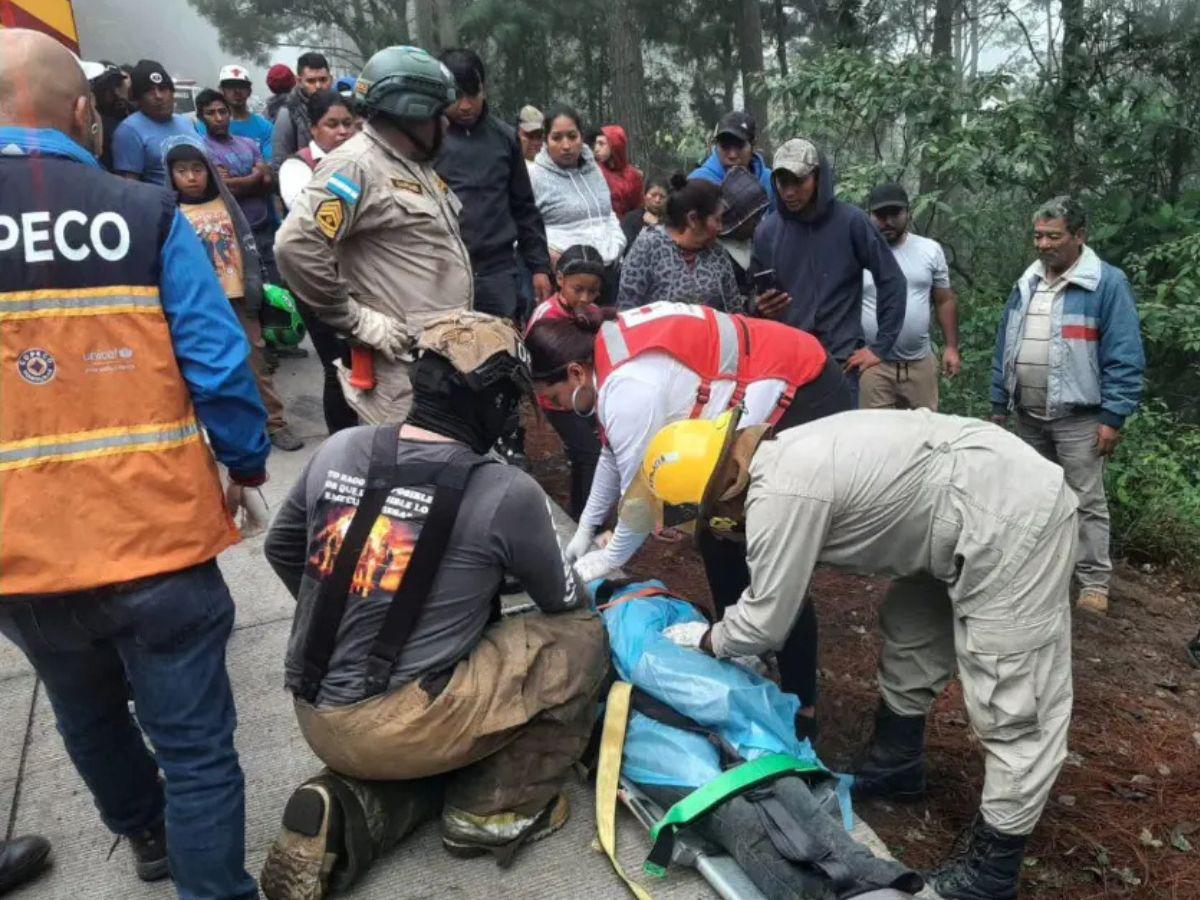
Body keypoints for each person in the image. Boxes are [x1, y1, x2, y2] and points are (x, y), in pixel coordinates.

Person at [0, 29, 269, 898]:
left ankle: (145, 837)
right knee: (194, 746)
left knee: (84, 710)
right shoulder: (144, 213)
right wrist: (245, 461)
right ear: (84, 113)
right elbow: (218, 362)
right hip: (155, 537)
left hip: (21, 558)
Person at [640, 407, 1078, 900]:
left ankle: (993, 868)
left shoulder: (780, 493)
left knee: (1012, 690)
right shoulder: (778, 462)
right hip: (959, 502)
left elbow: (766, 620)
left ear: (715, 499)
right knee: (911, 630)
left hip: (1010, 511)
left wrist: (708, 640)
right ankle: (897, 763)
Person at [259, 313, 608, 898]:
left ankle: (343, 809)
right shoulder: (504, 491)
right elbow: (561, 598)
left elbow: (282, 547)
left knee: (420, 725)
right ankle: (494, 813)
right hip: (400, 723)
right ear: (494, 402)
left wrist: (353, 609)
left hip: (314, 709)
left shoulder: (340, 448)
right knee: (580, 638)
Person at [525, 301, 853, 720]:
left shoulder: (626, 387)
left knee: (774, 547)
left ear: (574, 372)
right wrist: (582, 534)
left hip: (802, 390)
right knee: (717, 536)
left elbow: (640, 503)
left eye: (555, 398)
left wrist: (605, 559)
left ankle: (801, 701)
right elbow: (612, 454)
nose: (561, 408)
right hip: (771, 378)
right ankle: (743, 652)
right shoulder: (607, 359)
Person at [276, 45, 473, 426]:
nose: (446, 126)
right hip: (399, 370)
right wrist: (355, 319)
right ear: (412, 115)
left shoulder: (413, 165)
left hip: (437, 361)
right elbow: (295, 246)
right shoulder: (355, 167)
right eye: (438, 116)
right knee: (401, 473)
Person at [991, 195, 1145, 617]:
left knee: (1086, 500)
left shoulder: (1106, 284)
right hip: (1028, 414)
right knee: (1032, 496)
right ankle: (1039, 572)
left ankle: (1094, 581)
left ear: (1079, 236)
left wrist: (1113, 416)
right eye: (1038, 236)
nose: (1042, 245)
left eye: (1053, 236)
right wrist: (998, 402)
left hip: (1080, 417)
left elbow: (1125, 354)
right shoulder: (1027, 283)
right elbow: (1006, 344)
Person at [166, 137, 303, 451]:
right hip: (199, 306)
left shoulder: (227, 204)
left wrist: (259, 286)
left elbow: (248, 249)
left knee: (256, 364)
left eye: (198, 169)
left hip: (238, 297)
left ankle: (274, 423)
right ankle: (216, 432)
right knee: (205, 369)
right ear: (171, 175)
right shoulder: (171, 212)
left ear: (210, 171)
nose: (191, 177)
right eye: (182, 171)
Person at [752, 137, 907, 403]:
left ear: (818, 178)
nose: (790, 192)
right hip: (786, 363)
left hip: (839, 362)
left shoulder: (850, 222)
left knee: (839, 441)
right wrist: (759, 306)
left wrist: (880, 347)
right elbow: (750, 295)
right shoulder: (768, 231)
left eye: (798, 182)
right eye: (783, 182)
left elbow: (892, 280)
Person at [434, 48, 552, 319]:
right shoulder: (425, 139)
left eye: (472, 94)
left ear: (483, 89)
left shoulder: (504, 137)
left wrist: (539, 267)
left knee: (502, 352)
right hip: (442, 272)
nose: (466, 105)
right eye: (458, 96)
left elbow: (523, 206)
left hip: (497, 272)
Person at [278, 89, 358, 434]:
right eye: (332, 124)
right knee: (336, 366)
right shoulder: (298, 167)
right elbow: (316, 228)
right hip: (315, 281)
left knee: (361, 364)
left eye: (348, 124)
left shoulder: (359, 165)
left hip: (355, 277)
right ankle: (341, 446)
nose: (342, 132)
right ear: (313, 129)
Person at [859, 182, 960, 411]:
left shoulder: (929, 250)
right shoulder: (859, 252)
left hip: (919, 363)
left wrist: (951, 346)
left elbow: (944, 299)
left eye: (895, 213)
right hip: (874, 365)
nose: (888, 221)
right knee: (875, 439)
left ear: (907, 212)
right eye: (880, 215)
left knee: (925, 436)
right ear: (869, 216)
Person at [525, 245, 606, 517]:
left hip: (583, 394)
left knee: (587, 452)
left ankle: (587, 512)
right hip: (557, 399)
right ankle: (583, 518)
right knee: (589, 454)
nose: (585, 298)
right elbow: (537, 368)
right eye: (578, 289)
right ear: (560, 280)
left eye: (592, 291)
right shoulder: (545, 319)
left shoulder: (591, 312)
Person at [529, 105, 626, 304]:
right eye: (556, 138)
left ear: (581, 137)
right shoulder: (534, 177)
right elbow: (521, 226)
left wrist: (617, 244)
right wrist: (547, 255)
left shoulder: (594, 171)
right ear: (546, 141)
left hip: (606, 274)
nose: (566, 145)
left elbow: (607, 215)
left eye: (572, 136)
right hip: (565, 283)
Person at [617, 175, 740, 312]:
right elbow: (626, 311)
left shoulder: (718, 254)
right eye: (717, 220)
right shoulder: (648, 247)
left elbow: (734, 310)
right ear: (692, 219)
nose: (720, 227)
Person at [196, 88, 278, 279]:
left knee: (275, 282)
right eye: (211, 113)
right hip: (230, 232)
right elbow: (226, 188)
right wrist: (254, 175)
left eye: (222, 112)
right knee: (248, 284)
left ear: (229, 113)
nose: (218, 118)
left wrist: (240, 180)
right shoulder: (202, 148)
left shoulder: (248, 143)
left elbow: (267, 181)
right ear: (201, 117)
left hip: (262, 225)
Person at [111, 59, 197, 185]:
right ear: (138, 99)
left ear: (172, 92)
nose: (158, 96)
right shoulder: (129, 130)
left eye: (163, 88)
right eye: (149, 91)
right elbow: (129, 188)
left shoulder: (187, 123)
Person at [689, 110, 775, 208]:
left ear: (753, 146)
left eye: (739, 146)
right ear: (716, 146)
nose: (732, 155)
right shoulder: (698, 183)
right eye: (725, 146)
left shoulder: (769, 181)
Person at [716, 165, 770, 302]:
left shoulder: (757, 242)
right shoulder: (714, 253)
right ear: (736, 222)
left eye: (760, 216)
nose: (758, 223)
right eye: (753, 218)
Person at [272, 52, 333, 165]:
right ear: (299, 82)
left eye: (323, 80)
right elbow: (280, 163)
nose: (318, 86)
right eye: (311, 81)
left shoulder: (341, 108)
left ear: (331, 79)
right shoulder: (288, 114)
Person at [216, 63, 275, 158]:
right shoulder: (208, 125)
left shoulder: (265, 128)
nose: (237, 91)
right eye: (230, 86)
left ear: (249, 91)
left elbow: (269, 163)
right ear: (221, 90)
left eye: (242, 86)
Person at [593, 124, 644, 217]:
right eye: (596, 144)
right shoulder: (594, 172)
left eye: (601, 144)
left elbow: (638, 209)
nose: (596, 149)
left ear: (615, 144)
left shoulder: (633, 176)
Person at [88, 62, 131, 171]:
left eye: (119, 85)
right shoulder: (92, 123)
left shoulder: (135, 112)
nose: (116, 93)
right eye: (108, 88)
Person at [620, 174, 668, 250]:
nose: (657, 200)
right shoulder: (631, 218)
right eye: (653, 195)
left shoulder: (670, 222)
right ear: (644, 195)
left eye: (662, 196)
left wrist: (656, 225)